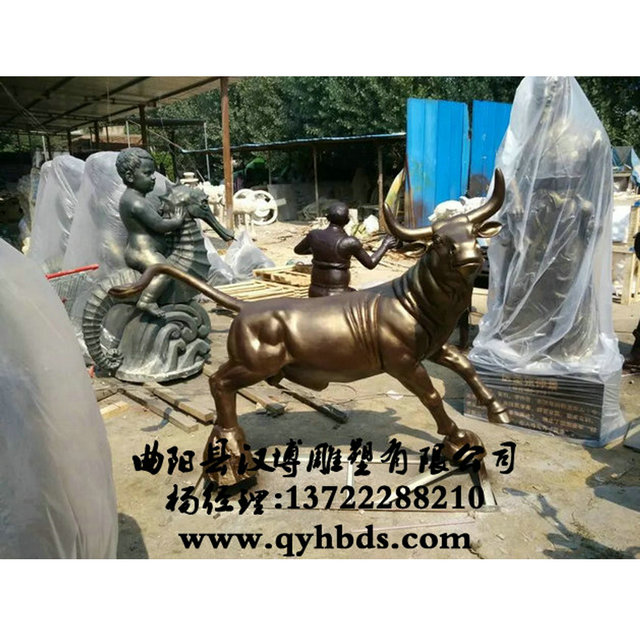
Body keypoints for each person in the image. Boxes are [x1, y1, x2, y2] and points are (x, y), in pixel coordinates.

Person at [116, 147, 186, 318]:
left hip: (142, 249)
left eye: (153, 173)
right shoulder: (136, 202)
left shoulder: (136, 198)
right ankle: (147, 300)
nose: (153, 177)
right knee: (165, 272)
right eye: (147, 173)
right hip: (142, 252)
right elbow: (159, 225)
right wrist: (177, 221)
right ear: (130, 176)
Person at [294, 201, 397, 297]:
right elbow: (370, 264)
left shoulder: (314, 235)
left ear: (327, 217)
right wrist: (385, 245)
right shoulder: (349, 242)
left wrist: (319, 250)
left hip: (314, 292)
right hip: (339, 295)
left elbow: (298, 250)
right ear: (347, 220)